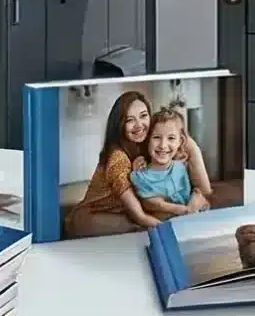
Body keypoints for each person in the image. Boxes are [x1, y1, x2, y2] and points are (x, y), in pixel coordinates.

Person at [61, 90, 211, 236]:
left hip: (124, 212)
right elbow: (140, 216)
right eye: (129, 120)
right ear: (120, 125)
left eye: (143, 116)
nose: (139, 125)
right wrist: (176, 228)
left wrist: (185, 140)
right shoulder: (118, 159)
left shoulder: (151, 141)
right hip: (92, 218)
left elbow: (205, 190)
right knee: (142, 227)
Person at [128, 108, 195, 208]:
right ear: (148, 140)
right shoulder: (139, 177)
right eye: (157, 137)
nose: (163, 145)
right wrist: (183, 210)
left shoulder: (181, 167)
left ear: (180, 141)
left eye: (171, 138)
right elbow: (151, 206)